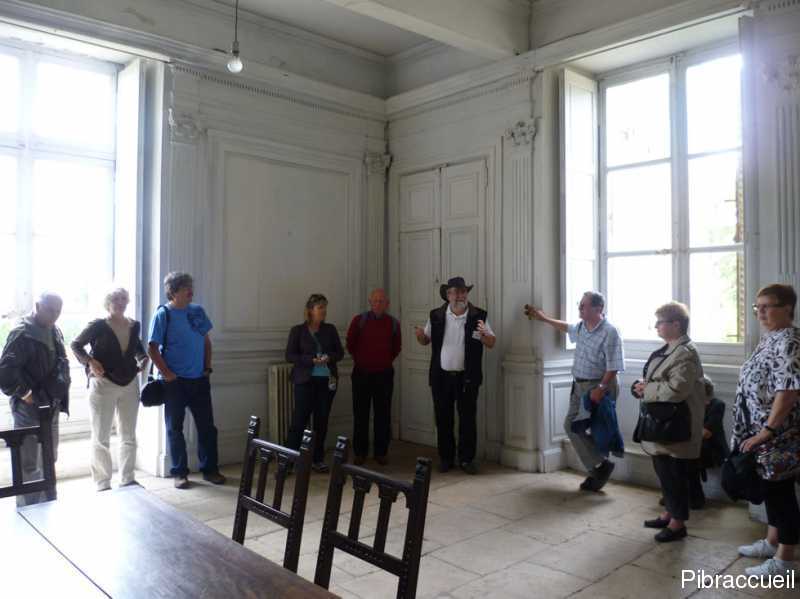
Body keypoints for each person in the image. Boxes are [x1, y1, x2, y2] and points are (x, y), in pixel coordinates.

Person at [525, 291, 624, 491]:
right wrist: (543, 318)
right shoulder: (582, 327)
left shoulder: (610, 332)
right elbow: (567, 327)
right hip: (579, 386)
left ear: (598, 308)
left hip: (598, 386)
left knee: (597, 429)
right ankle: (600, 466)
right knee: (571, 425)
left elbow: (614, 365)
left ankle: (598, 471)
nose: (579, 308)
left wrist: (601, 388)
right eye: (580, 304)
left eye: (583, 305)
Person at [732, 284, 800, 578]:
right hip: (763, 434)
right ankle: (772, 543)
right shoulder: (771, 337)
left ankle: (785, 561)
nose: (760, 312)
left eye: (766, 306)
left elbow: (789, 391)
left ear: (787, 308)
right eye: (756, 307)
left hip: (780, 436)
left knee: (781, 496)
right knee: (772, 493)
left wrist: (768, 431)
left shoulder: (790, 341)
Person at [632, 302, 705, 543]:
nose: (656, 326)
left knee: (675, 475)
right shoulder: (671, 348)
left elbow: (677, 389)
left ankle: (677, 524)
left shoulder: (685, 352)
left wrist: (646, 389)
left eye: (660, 322)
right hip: (664, 423)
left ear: (676, 324)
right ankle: (670, 513)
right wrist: (641, 386)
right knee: (664, 472)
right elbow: (658, 378)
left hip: (677, 425)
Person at [148, 272, 226, 489]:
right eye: (185, 288)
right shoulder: (163, 314)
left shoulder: (197, 311)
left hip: (200, 380)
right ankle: (180, 473)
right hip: (175, 383)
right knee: (175, 429)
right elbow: (152, 348)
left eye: (191, 286)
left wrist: (207, 368)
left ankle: (210, 470)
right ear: (173, 292)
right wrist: (167, 374)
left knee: (207, 428)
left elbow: (206, 342)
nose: (190, 291)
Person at [414, 277, 495, 475]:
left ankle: (467, 460)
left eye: (463, 292)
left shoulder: (478, 316)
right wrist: (420, 337)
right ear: (448, 295)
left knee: (467, 420)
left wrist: (485, 334)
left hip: (468, 378)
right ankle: (446, 458)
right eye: (456, 292)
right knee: (443, 419)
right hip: (441, 377)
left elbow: (491, 343)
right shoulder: (436, 315)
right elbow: (426, 340)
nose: (460, 296)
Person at [71, 288, 148, 491]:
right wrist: (90, 361)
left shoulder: (134, 325)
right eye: (115, 299)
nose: (120, 302)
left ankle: (127, 478)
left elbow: (138, 348)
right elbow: (76, 345)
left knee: (128, 435)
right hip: (103, 383)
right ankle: (102, 482)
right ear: (108, 303)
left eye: (123, 299)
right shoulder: (98, 325)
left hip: (129, 383)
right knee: (101, 436)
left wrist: (143, 359)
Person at [0, 292, 70, 506]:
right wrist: (26, 394)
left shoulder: (54, 330)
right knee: (29, 462)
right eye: (50, 310)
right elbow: (5, 373)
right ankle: (29, 508)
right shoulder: (21, 334)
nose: (55, 315)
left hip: (51, 405)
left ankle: (47, 503)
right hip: (29, 408)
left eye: (58, 311)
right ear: (37, 306)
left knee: (50, 456)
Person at [285, 293, 344, 473]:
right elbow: (289, 355)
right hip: (305, 381)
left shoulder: (330, 329)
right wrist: (310, 360)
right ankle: (288, 461)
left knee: (321, 422)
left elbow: (339, 353)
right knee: (299, 421)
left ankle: (317, 459)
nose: (324, 311)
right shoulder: (298, 331)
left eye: (325, 307)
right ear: (310, 310)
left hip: (326, 382)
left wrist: (328, 357)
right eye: (320, 308)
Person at [346, 288, 401, 466]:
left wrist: (382, 361)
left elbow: (396, 348)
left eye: (381, 301)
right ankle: (360, 453)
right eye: (375, 300)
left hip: (384, 375)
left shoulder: (393, 323)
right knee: (360, 414)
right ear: (370, 302)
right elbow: (350, 344)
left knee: (383, 414)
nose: (378, 304)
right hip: (361, 373)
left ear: (387, 304)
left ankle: (381, 452)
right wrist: (363, 360)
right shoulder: (359, 321)